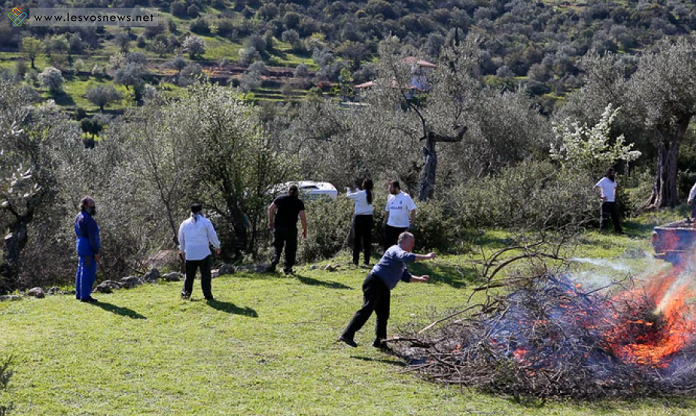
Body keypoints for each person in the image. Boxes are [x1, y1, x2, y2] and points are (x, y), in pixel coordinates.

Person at [339, 232, 435, 349]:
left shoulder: (400, 261)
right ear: (403, 241)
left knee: (383, 315)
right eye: (411, 242)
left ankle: (380, 342)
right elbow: (406, 257)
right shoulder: (395, 250)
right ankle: (347, 334)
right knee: (367, 309)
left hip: (383, 287)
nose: (413, 245)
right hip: (375, 282)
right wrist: (427, 256)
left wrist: (420, 279)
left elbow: (406, 276)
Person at [178, 203, 221, 300]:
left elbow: (181, 238)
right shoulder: (206, 222)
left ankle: (186, 294)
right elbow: (212, 236)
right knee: (205, 275)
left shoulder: (184, 224)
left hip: (190, 253)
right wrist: (217, 246)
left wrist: (182, 250)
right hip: (203, 253)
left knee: (189, 276)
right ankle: (207, 295)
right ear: (201, 211)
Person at [268, 184, 307, 275]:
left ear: (288, 191)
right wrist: (304, 230)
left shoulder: (280, 198)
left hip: (278, 227)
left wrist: (270, 222)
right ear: (297, 192)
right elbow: (303, 218)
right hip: (291, 228)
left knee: (277, 246)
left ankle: (275, 259)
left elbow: (270, 209)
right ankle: (287, 268)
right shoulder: (299, 202)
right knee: (290, 248)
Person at [75, 196, 101, 303]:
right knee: (88, 271)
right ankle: (85, 296)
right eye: (91, 204)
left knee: (81, 269)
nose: (93, 206)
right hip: (87, 247)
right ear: (85, 205)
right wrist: (96, 252)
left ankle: (79, 293)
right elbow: (93, 238)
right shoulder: (88, 220)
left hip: (80, 244)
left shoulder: (78, 217)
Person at [347, 178, 374, 266]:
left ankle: (356, 261)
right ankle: (366, 261)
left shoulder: (360, 194)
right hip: (369, 218)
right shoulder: (370, 194)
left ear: (364, 185)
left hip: (359, 218)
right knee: (367, 240)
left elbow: (349, 196)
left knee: (357, 240)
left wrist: (348, 189)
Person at [383, 180, 417, 249]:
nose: (389, 189)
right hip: (390, 225)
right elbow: (387, 210)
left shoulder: (405, 196)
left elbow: (413, 209)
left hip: (402, 226)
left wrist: (412, 223)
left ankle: (401, 259)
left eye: (391, 187)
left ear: (397, 188)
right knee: (388, 245)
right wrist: (385, 222)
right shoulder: (390, 197)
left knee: (400, 247)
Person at [593, 167, 623, 234]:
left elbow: (615, 188)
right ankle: (603, 231)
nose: (613, 174)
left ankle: (618, 230)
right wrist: (600, 196)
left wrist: (615, 196)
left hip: (612, 201)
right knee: (604, 217)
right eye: (612, 173)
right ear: (608, 173)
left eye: (613, 173)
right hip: (606, 201)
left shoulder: (613, 181)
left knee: (616, 217)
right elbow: (595, 188)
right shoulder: (604, 180)